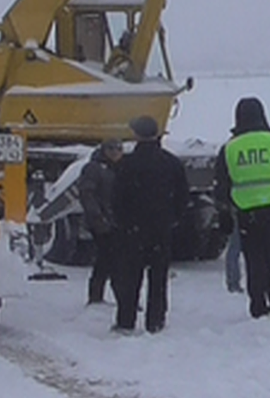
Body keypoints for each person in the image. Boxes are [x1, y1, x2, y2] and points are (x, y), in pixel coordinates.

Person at [213, 97, 270, 320]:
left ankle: (258, 306)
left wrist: (224, 213)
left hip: (247, 213)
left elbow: (221, 185)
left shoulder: (229, 149)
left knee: (254, 261)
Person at [110, 115, 190, 334]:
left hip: (132, 229)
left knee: (130, 277)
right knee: (158, 277)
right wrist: (172, 218)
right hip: (161, 228)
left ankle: (126, 320)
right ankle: (156, 321)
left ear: (136, 134)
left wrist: (122, 223)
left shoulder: (127, 164)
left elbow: (116, 199)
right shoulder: (171, 163)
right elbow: (183, 196)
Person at [79, 138, 123, 305]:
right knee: (110, 259)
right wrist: (97, 218)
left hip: (116, 221)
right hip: (100, 222)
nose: (115, 152)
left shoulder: (120, 168)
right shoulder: (94, 168)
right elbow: (87, 194)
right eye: (111, 148)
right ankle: (116, 297)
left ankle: (99, 296)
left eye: (118, 149)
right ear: (104, 150)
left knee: (106, 260)